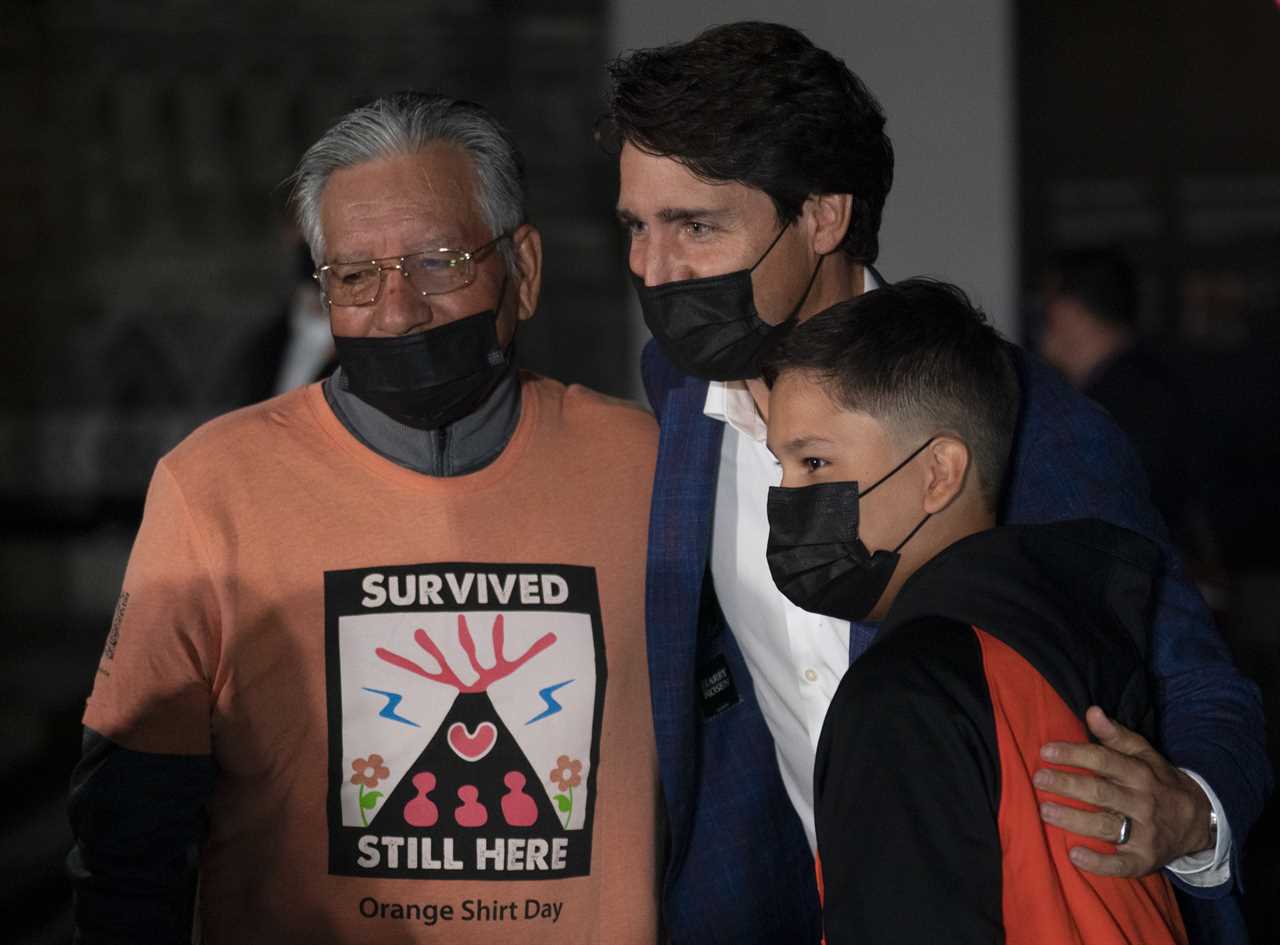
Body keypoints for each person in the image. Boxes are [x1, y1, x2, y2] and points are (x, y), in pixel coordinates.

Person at [604, 20, 1270, 945]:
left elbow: (1193, 678)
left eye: (696, 226)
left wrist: (1192, 815)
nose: (654, 268)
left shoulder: (1027, 420)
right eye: (636, 225)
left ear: (824, 217)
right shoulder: (679, 385)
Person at [68, 92, 660, 944]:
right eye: (354, 276)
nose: (397, 311)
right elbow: (129, 838)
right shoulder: (213, 487)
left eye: (438, 262)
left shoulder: (646, 468)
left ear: (523, 270)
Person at [767, 278, 1186, 945]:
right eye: (782, 467)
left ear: (939, 472)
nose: (786, 498)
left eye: (815, 461)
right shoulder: (1059, 628)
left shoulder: (905, 693)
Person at [1039, 248, 1194, 547]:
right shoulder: (1149, 387)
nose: (1039, 320)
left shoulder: (1107, 409)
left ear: (1069, 312)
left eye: (1045, 304)